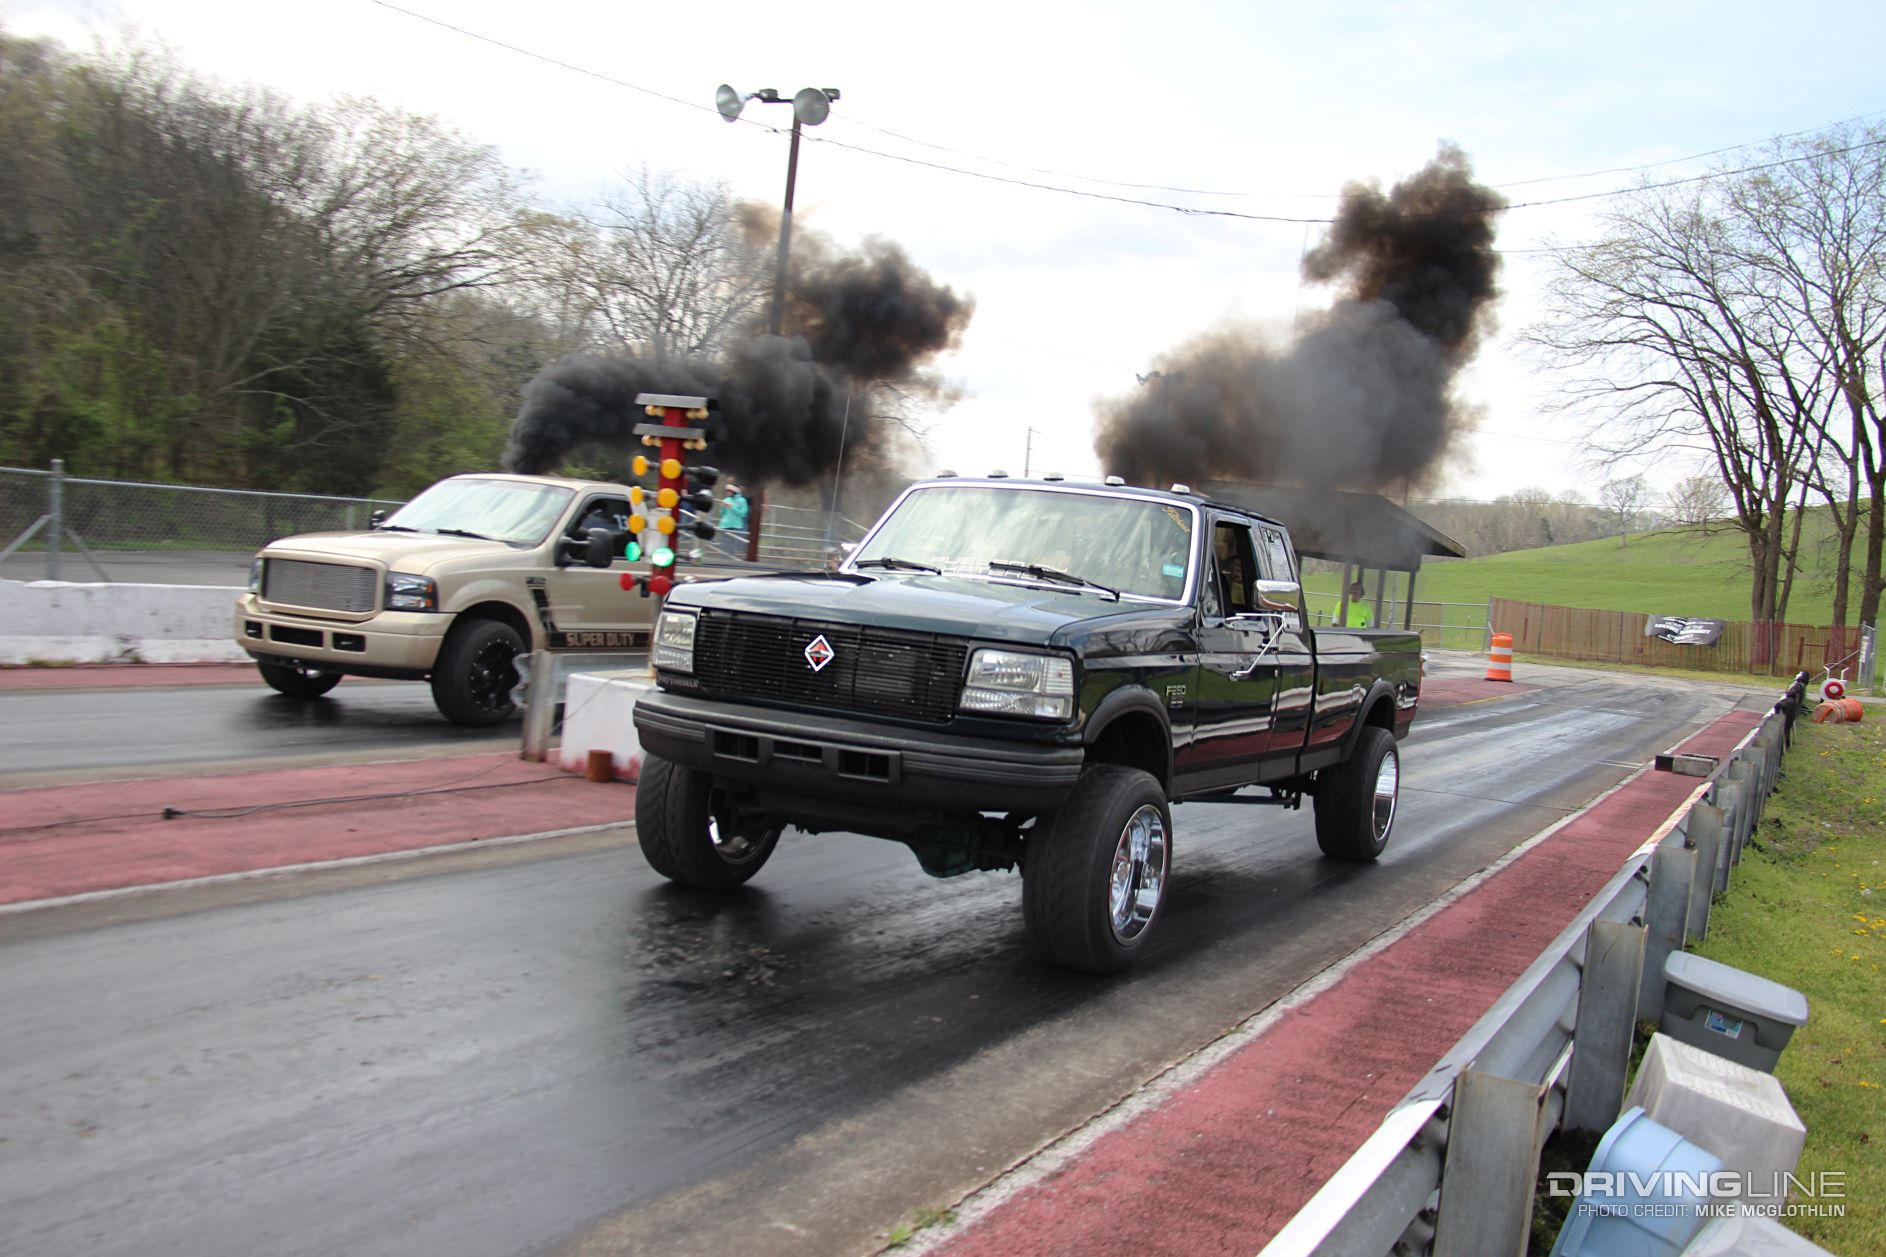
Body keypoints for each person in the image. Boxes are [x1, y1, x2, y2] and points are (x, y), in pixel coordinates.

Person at [716, 483, 749, 550]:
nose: (727, 492)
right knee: (724, 546)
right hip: (725, 526)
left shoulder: (742, 501)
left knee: (733, 547)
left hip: (736, 527)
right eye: (727, 491)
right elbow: (722, 513)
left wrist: (732, 507)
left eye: (729, 491)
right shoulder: (726, 500)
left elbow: (742, 514)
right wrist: (722, 507)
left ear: (734, 491)